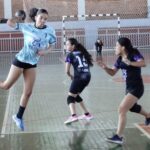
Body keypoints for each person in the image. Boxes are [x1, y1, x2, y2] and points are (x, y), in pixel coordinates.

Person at [2, 8, 56, 131]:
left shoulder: (50, 31)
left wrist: (46, 51)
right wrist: (18, 17)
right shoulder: (27, 27)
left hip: (32, 63)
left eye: (45, 19)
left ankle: (18, 116)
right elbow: (9, 23)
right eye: (41, 17)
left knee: (28, 93)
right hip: (20, 60)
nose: (43, 20)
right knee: (6, 86)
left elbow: (52, 44)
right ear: (36, 17)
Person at [98, 37, 150, 145]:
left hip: (137, 87)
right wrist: (105, 68)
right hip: (129, 87)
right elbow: (113, 72)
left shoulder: (133, 53)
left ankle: (119, 136)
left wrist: (130, 62)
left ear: (123, 47)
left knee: (122, 109)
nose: (115, 47)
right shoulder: (119, 59)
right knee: (132, 108)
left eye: (117, 45)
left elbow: (143, 63)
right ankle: (148, 116)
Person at [64, 38, 93, 124]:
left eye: (68, 44)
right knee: (75, 96)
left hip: (79, 77)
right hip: (87, 76)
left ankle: (73, 116)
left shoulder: (70, 55)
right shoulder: (83, 53)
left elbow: (67, 71)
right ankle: (87, 114)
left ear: (73, 46)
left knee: (70, 97)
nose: (66, 46)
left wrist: (70, 76)